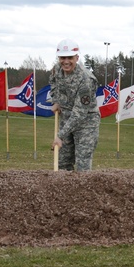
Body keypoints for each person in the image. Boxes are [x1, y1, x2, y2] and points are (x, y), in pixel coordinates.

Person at [50, 38, 101, 171]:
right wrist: (56, 100)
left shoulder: (86, 80)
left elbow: (79, 113)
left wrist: (59, 135)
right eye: (62, 57)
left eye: (70, 58)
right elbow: (53, 82)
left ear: (77, 58)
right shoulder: (57, 70)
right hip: (66, 117)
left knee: (82, 165)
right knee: (62, 162)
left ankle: (84, 191)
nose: (66, 62)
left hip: (86, 122)